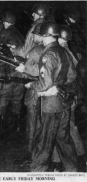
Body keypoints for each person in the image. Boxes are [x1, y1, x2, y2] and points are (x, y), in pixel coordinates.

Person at [26, 21, 78, 172]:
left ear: (46, 35)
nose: (41, 38)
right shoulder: (64, 51)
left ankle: (37, 173)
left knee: (44, 141)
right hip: (64, 103)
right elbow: (72, 76)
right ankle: (73, 170)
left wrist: (32, 85)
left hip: (50, 105)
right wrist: (58, 86)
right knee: (63, 139)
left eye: (42, 35)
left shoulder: (48, 54)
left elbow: (44, 83)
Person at [51, 25, 85, 170]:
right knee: (70, 127)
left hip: (65, 95)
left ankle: (58, 162)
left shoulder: (61, 52)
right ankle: (81, 156)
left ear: (59, 38)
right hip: (73, 94)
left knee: (59, 127)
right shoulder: (70, 52)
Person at [14, 23, 44, 162]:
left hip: (34, 90)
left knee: (32, 123)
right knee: (38, 122)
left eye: (35, 34)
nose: (33, 36)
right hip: (39, 89)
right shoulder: (44, 49)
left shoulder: (36, 50)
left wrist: (23, 70)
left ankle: (31, 154)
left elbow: (34, 69)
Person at [0, 11, 25, 131]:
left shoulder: (6, 33)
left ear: (5, 22)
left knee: (4, 95)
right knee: (17, 97)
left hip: (10, 70)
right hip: (21, 70)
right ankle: (16, 124)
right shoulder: (19, 34)